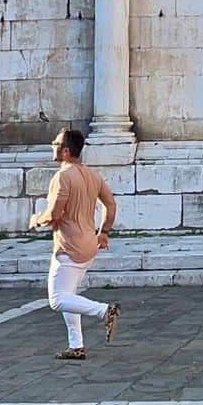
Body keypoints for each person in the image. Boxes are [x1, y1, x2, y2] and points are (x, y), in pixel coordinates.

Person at [29, 127, 120, 361]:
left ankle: (104, 310)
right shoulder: (93, 175)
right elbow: (111, 205)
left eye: (56, 143)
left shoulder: (63, 177)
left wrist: (36, 220)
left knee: (57, 299)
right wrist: (104, 232)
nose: (53, 145)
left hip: (69, 246)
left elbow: (54, 214)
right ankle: (76, 345)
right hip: (90, 244)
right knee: (69, 294)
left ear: (66, 151)